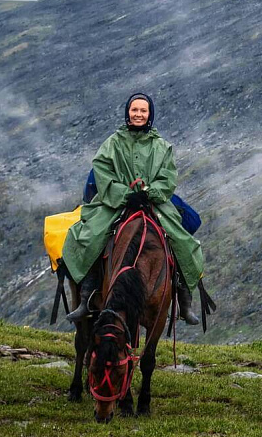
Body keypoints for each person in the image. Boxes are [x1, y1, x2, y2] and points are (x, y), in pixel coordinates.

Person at [63, 93, 205, 325]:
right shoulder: (112, 144)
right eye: (134, 110)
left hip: (153, 202)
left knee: (183, 241)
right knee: (89, 236)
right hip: (116, 202)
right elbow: (102, 172)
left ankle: (184, 300)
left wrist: (149, 193)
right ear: (128, 112)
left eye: (143, 111)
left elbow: (168, 177)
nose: (138, 114)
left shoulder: (162, 147)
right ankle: (86, 297)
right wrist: (126, 195)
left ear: (150, 114)